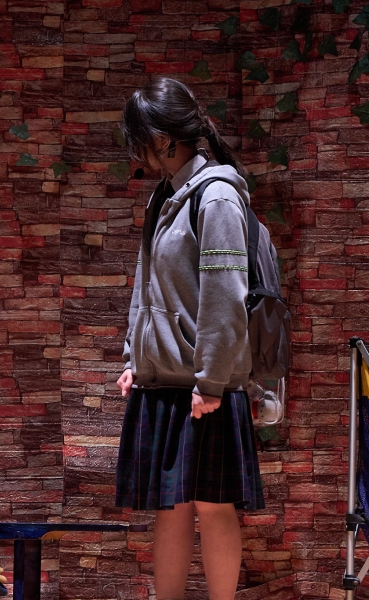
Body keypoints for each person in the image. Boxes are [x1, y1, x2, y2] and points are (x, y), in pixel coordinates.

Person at [115, 78, 265, 600]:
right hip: (165, 382)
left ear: (162, 138)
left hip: (206, 388)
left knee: (213, 506)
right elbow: (147, 283)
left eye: (139, 139)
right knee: (172, 507)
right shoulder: (165, 196)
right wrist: (135, 358)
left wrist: (211, 381)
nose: (135, 151)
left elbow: (226, 296)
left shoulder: (216, 196)